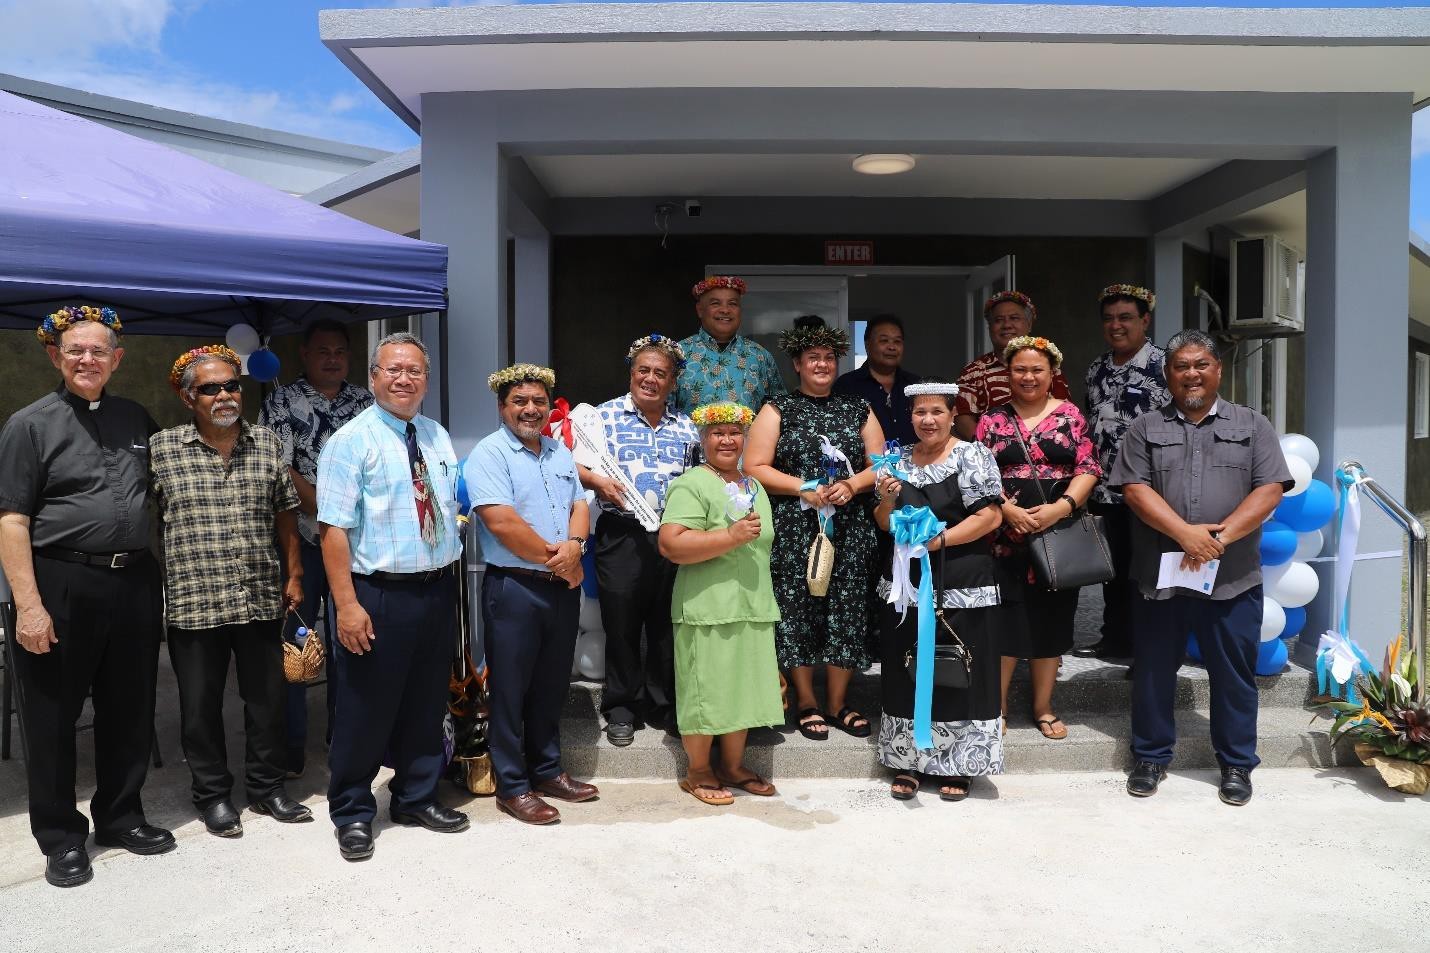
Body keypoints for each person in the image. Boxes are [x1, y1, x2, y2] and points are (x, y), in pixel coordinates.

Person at [0, 306, 174, 888]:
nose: (87, 360)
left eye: (99, 351)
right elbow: (11, 520)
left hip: (133, 582)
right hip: (61, 582)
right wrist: (28, 605)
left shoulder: (135, 418)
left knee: (130, 706)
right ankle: (60, 836)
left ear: (116, 359)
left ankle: (121, 815)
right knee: (52, 714)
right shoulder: (28, 425)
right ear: (55, 356)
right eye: (75, 350)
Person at [1110, 329, 1291, 805]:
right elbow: (1134, 490)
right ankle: (1150, 757)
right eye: (1180, 366)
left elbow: (1270, 488)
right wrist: (1185, 535)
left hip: (1231, 578)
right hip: (1159, 576)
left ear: (1217, 370)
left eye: (1200, 365)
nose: (1191, 374)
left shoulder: (1253, 425)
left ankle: (1235, 765)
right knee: (1152, 671)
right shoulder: (1145, 428)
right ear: (1167, 374)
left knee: (1233, 675)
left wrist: (1218, 539)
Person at [317, 332, 468, 861]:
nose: (404, 379)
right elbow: (332, 528)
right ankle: (353, 811)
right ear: (375, 377)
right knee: (363, 706)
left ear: (426, 380)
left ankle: (415, 796)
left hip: (435, 588)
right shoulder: (349, 441)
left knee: (425, 702)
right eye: (393, 370)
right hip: (376, 594)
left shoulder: (436, 436)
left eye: (415, 371)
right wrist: (346, 605)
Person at [150, 345, 311, 836]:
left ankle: (266, 789)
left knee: (267, 701)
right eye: (210, 388)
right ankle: (214, 795)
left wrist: (295, 574)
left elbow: (286, 512)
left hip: (259, 593)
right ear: (186, 396)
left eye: (231, 386)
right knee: (200, 706)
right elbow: (146, 522)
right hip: (194, 600)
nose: (224, 395)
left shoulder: (266, 443)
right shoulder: (162, 450)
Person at [465, 363, 599, 825]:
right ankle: (512, 784)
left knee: (550, 685)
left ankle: (546, 771)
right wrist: (562, 562)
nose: (530, 409)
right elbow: (500, 521)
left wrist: (576, 548)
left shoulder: (559, 451)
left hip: (560, 587)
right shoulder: (489, 454)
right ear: (502, 406)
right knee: (510, 688)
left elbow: (580, 503)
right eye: (520, 401)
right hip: (516, 588)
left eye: (539, 401)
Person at [745, 316, 883, 740]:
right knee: (797, 610)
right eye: (812, 358)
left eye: (828, 358)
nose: (821, 365)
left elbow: (880, 465)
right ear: (798, 364)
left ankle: (839, 702)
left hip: (849, 526)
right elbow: (754, 466)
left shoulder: (857, 407)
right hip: (795, 527)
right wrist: (803, 488)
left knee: (846, 607)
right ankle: (806, 701)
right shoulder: (777, 408)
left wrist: (851, 485)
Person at [872, 381, 1006, 801]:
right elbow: (883, 523)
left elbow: (989, 517)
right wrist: (884, 500)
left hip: (962, 580)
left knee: (959, 669)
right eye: (919, 412)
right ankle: (908, 760)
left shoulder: (972, 455)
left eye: (936, 412)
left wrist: (937, 541)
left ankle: (959, 763)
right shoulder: (896, 462)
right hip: (908, 582)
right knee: (905, 666)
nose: (927, 420)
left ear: (952, 415)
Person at [258, 318, 372, 776]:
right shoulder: (280, 402)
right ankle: (291, 747)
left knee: (352, 640)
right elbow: (280, 469)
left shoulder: (365, 402)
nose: (332, 358)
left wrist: (344, 519)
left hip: (357, 547)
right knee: (297, 645)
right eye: (322, 350)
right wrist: (331, 513)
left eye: (340, 351)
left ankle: (346, 737)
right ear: (304, 355)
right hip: (302, 543)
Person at [975, 335, 1100, 742]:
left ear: (1052, 374)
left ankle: (1044, 707)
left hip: (1057, 535)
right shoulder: (992, 420)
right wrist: (1005, 508)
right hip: (1003, 537)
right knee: (1004, 621)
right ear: (1007, 374)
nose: (1028, 377)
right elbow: (978, 474)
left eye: (1036, 370)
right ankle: (998, 707)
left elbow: (1088, 468)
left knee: (1052, 620)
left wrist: (1059, 508)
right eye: (1019, 369)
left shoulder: (1070, 416)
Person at [658, 403, 784, 805]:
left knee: (741, 688)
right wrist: (730, 536)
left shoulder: (755, 486)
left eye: (734, 433)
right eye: (717, 433)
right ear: (703, 439)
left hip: (752, 602)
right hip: (707, 606)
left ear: (745, 438)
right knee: (705, 689)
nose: (727, 440)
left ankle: (732, 765)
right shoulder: (692, 484)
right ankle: (697, 770)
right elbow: (671, 544)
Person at [578, 334, 699, 746]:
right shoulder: (601, 417)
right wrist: (596, 480)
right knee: (622, 623)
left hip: (673, 537)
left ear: (673, 381)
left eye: (659, 373)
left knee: (666, 625)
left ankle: (662, 705)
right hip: (622, 534)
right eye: (643, 371)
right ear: (631, 374)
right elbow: (572, 465)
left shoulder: (687, 425)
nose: (650, 379)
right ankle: (621, 708)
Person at [1077, 284, 1169, 661]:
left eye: (1126, 317)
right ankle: (1114, 638)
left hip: (1148, 488)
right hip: (1104, 490)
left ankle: (1147, 650)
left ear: (1144, 320)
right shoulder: (1097, 368)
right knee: (1111, 571)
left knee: (1144, 571)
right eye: (1109, 318)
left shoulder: (1165, 364)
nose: (1117, 325)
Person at [955, 291, 1070, 441]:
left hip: (1045, 452)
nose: (1007, 325)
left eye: (1014, 318)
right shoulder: (973, 372)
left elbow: (1064, 412)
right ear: (989, 327)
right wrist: (989, 449)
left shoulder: (1049, 368)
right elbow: (963, 419)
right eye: (998, 320)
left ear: (1029, 325)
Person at [673, 275, 785, 413]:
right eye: (715, 303)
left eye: (732, 303)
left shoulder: (760, 356)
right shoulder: (677, 354)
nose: (725, 310)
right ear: (700, 310)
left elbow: (780, 412)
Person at [834, 314, 920, 448]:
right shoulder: (847, 386)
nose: (892, 347)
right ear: (867, 345)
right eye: (884, 341)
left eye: (897, 341)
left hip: (915, 465)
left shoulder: (916, 385)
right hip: (868, 467)